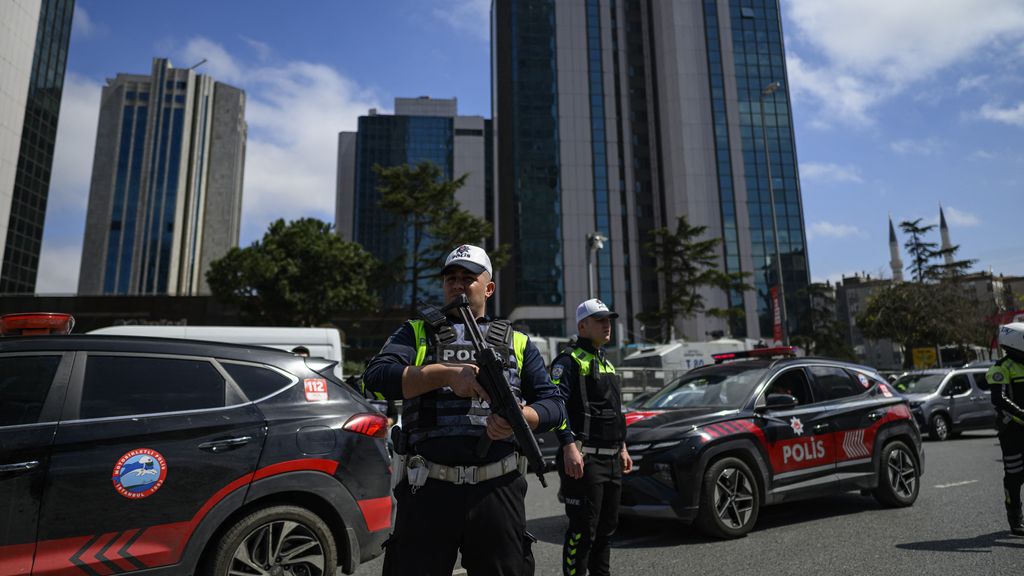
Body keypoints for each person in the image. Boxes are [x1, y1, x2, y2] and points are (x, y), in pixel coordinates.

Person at [363, 244, 566, 575]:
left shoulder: (517, 341)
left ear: (489, 288)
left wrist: (520, 417)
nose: (457, 284)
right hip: (427, 488)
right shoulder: (416, 331)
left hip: (497, 488)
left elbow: (554, 405)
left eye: (467, 278)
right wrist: (445, 375)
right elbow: (374, 379)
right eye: (451, 278)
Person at [550, 298, 633, 576]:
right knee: (582, 531)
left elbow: (614, 410)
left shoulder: (606, 362)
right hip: (584, 459)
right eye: (600, 320)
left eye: (608, 319)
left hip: (612, 459)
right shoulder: (568, 360)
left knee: (607, 531)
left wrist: (622, 447)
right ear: (582, 326)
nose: (607, 325)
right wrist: (568, 446)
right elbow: (556, 406)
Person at [987, 322, 1024, 536]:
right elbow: (998, 398)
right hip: (1012, 430)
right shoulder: (1001, 368)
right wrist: (1021, 413)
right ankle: (1015, 517)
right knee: (1014, 476)